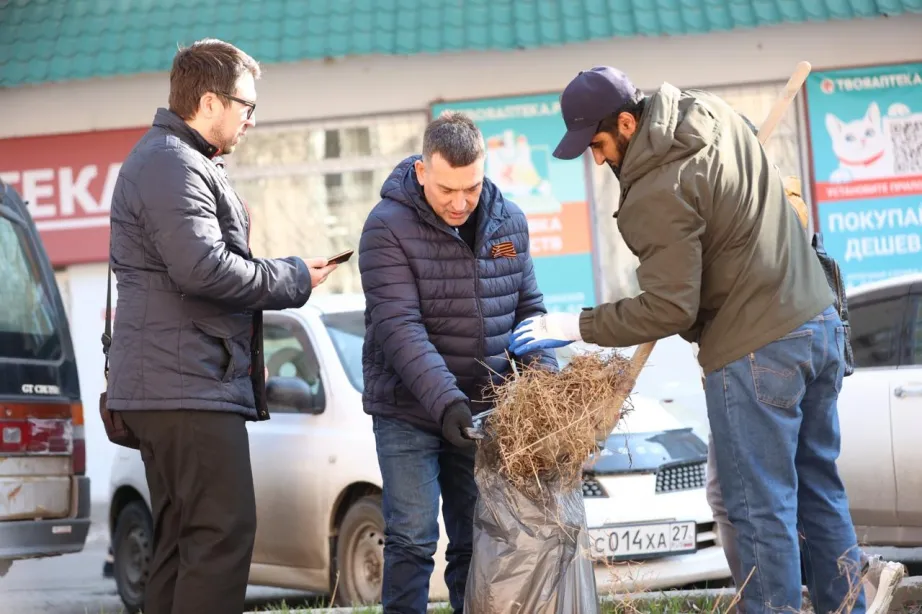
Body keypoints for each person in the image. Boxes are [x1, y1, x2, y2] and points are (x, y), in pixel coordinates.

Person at [508, 66, 866, 614]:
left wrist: (569, 325)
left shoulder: (657, 187)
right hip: (816, 325)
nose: (597, 159)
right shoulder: (708, 112)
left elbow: (671, 307)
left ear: (627, 123)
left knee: (757, 508)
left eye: (598, 144)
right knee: (819, 490)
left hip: (756, 347)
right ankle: (848, 609)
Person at [105, 38, 337, 614]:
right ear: (209, 101)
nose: (251, 120)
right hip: (186, 387)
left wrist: (282, 274)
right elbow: (203, 268)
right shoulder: (169, 162)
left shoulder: (176, 160)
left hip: (176, 383)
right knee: (222, 534)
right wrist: (290, 278)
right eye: (246, 106)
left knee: (184, 544)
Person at [358, 111, 557, 614]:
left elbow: (528, 309)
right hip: (410, 412)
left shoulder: (507, 220)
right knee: (412, 537)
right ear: (423, 171)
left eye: (471, 187)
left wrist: (546, 386)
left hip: (480, 411)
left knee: (475, 541)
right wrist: (447, 402)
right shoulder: (386, 228)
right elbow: (398, 326)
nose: (460, 202)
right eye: (447, 189)